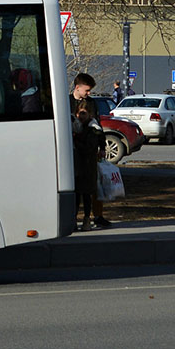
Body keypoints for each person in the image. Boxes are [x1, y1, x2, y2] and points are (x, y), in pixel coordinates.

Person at [71, 72, 104, 230]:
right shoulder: (66, 101)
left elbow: (99, 125)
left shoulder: (91, 104)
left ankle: (89, 218)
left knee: (89, 190)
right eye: (87, 90)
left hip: (88, 156)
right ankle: (73, 219)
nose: (88, 93)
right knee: (76, 190)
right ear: (77, 88)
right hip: (73, 155)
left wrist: (102, 146)